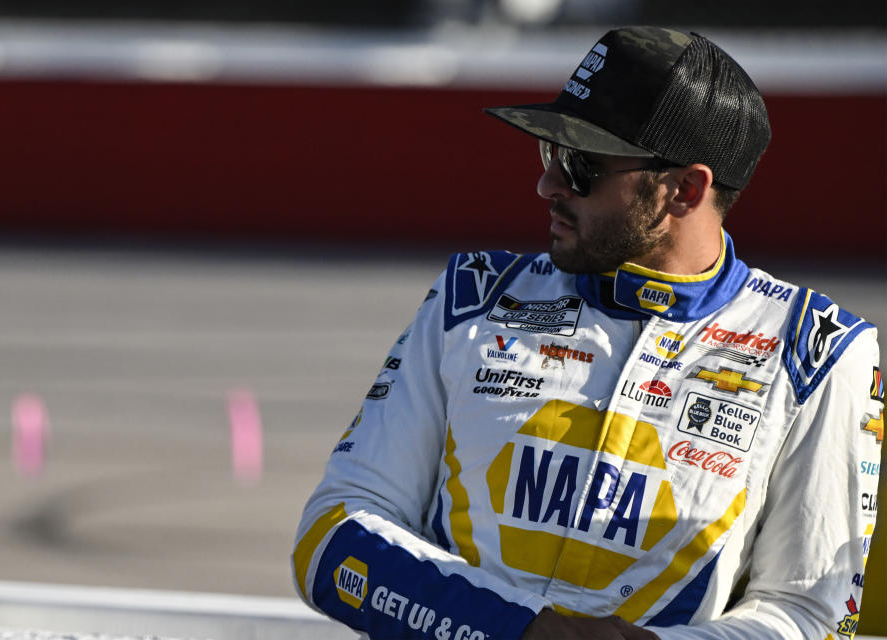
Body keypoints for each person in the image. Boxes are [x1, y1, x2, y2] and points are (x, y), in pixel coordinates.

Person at [291, 26, 883, 639]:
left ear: (685, 190)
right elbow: (331, 537)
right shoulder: (473, 297)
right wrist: (516, 629)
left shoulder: (818, 351)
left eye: (581, 165)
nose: (548, 186)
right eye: (548, 154)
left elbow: (812, 615)